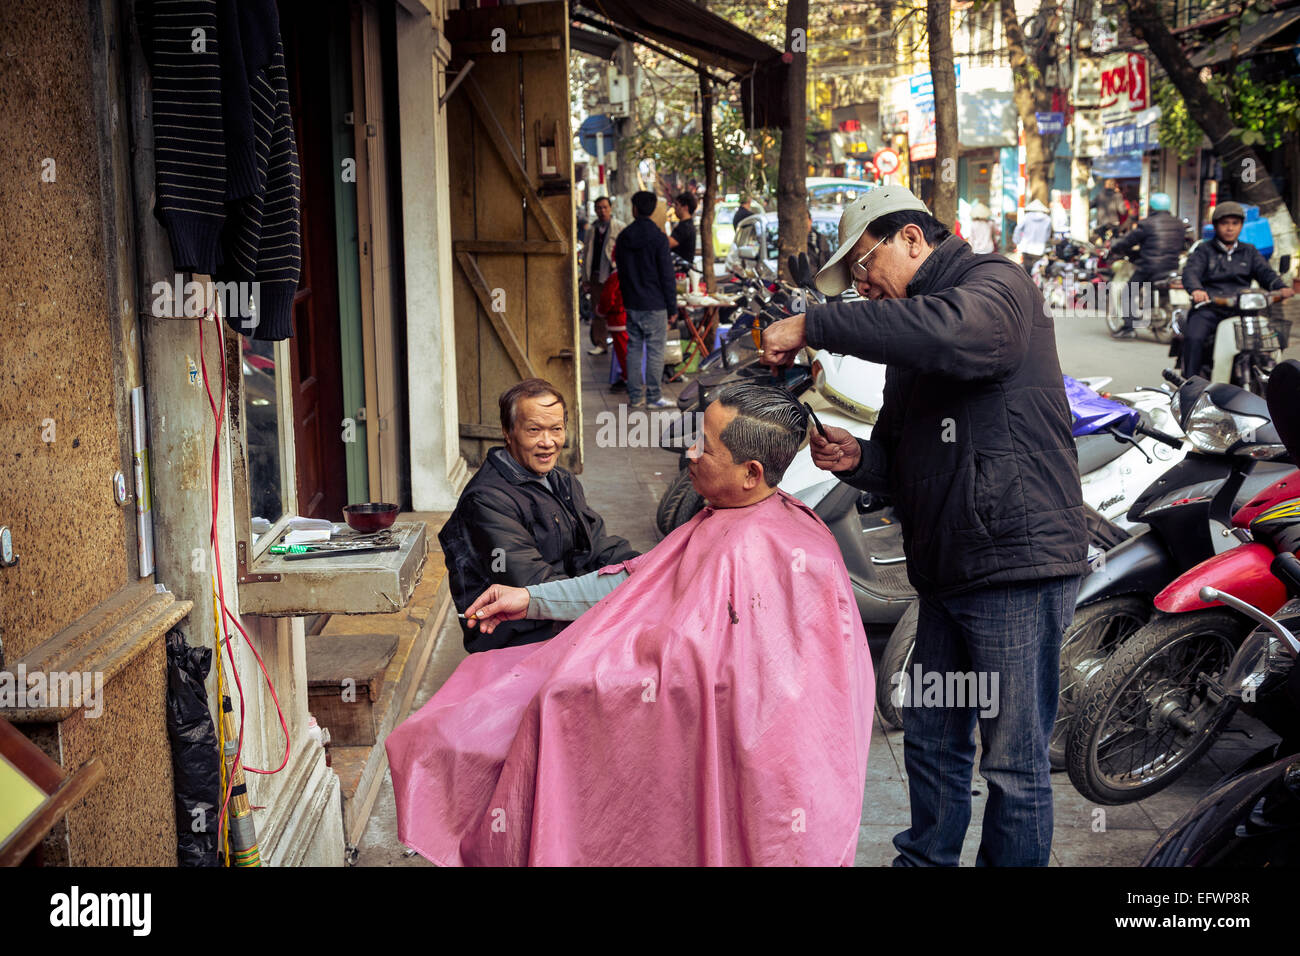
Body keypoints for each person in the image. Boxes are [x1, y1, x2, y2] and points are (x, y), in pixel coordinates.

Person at [386, 382, 874, 865]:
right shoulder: (723, 518)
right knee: (469, 718)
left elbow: (761, 692)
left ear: (751, 473)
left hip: (765, 766)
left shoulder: (789, 553)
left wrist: (603, 677)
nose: (690, 451)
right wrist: (532, 599)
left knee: (550, 706)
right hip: (643, 677)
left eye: (705, 444)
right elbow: (635, 579)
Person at [760, 186, 1087, 867]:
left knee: (1012, 764)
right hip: (947, 574)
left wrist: (814, 324)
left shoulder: (997, 286)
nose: (862, 288)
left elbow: (956, 333)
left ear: (911, 236)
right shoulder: (914, 333)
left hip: (1014, 569)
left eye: (862, 267)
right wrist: (860, 460)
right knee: (933, 739)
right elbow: (910, 454)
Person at [436, 378, 638, 653]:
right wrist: (606, 599)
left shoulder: (561, 480)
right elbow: (534, 587)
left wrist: (645, 567)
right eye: (534, 430)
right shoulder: (486, 501)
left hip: (562, 613)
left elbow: (596, 545)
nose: (548, 442)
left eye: (556, 429)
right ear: (508, 432)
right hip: (519, 635)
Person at [1180, 200, 1293, 376]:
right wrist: (1196, 290)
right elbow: (1191, 272)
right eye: (1225, 223)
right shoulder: (1204, 250)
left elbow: (1265, 273)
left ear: (1241, 226)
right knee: (1195, 337)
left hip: (1242, 310)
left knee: (1269, 340)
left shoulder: (1249, 251)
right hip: (1210, 307)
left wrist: (1281, 287)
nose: (1230, 228)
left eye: (1235, 223)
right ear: (1216, 226)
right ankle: (1189, 385)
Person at [614, 190, 677, 409]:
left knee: (633, 349)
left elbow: (620, 271)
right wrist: (673, 307)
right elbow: (667, 275)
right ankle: (653, 397)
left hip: (632, 302)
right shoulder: (659, 238)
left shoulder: (623, 237)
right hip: (655, 303)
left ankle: (634, 397)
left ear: (634, 209)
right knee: (655, 351)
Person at [1104, 191, 1187, 339]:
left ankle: (1128, 327)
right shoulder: (1178, 224)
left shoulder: (1147, 224)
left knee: (1128, 291)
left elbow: (1128, 241)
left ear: (1151, 208)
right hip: (1172, 267)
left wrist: (1114, 246)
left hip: (1150, 266)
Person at [579, 196, 623, 356]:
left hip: (613, 277)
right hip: (597, 276)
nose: (602, 211)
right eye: (599, 208)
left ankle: (618, 341)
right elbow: (586, 255)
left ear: (610, 208)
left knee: (616, 310)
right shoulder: (591, 230)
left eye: (605, 207)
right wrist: (585, 279)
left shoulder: (619, 227)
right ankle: (600, 342)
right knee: (597, 310)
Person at [596, 267, 629, 392]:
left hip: (619, 317)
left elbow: (608, 297)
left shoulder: (616, 276)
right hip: (633, 315)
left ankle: (628, 379)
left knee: (623, 351)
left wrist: (600, 311)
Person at [1012, 198, 1052, 276]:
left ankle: (1027, 285)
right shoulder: (1047, 219)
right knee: (1036, 271)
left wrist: (1016, 241)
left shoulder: (1026, 217)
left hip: (1026, 248)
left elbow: (1018, 229)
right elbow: (1047, 236)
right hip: (1039, 250)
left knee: (1027, 272)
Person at [668, 191, 697, 266]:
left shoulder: (685, 227)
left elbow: (668, 244)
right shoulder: (686, 224)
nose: (675, 208)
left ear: (685, 208)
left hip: (681, 272)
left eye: (677, 205)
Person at [806, 205, 832, 271]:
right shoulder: (797, 243)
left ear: (810, 221)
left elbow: (828, 258)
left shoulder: (821, 239)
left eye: (805, 220)